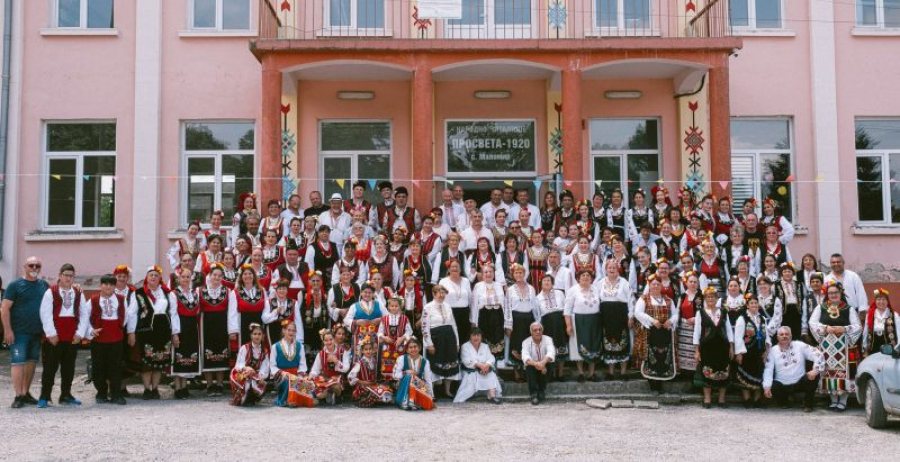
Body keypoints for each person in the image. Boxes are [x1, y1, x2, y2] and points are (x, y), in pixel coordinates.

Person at [37, 263, 89, 408]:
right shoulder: (50, 292)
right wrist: (51, 334)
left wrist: (80, 334)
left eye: (71, 276)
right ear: (60, 275)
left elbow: (84, 314)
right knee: (50, 368)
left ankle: (66, 395)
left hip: (71, 336)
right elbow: (45, 314)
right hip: (55, 336)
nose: (68, 278)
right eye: (66, 275)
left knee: (69, 368)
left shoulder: (78, 293)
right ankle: (44, 396)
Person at [2, 257, 51, 408]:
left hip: (36, 332)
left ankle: (25, 392)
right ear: (25, 266)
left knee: (31, 362)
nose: (34, 268)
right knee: (18, 363)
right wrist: (7, 330)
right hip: (19, 332)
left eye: (38, 266)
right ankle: (18, 396)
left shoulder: (44, 285)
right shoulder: (15, 285)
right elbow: (5, 308)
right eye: (31, 265)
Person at [809, 281, 862, 411]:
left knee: (844, 373)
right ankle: (833, 400)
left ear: (840, 293)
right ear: (827, 294)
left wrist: (844, 329)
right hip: (826, 347)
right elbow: (812, 323)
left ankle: (843, 401)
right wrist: (825, 328)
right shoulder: (821, 307)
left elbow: (858, 326)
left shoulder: (848, 309)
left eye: (836, 292)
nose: (833, 295)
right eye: (830, 293)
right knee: (828, 372)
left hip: (844, 348)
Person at [86, 274, 134, 405]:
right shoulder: (93, 300)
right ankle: (101, 393)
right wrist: (90, 330)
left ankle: (116, 394)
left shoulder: (121, 299)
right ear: (100, 285)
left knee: (116, 367)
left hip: (116, 338)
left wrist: (119, 327)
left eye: (111, 284)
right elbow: (85, 317)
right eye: (105, 284)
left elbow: (126, 316)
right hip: (98, 339)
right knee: (99, 366)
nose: (108, 287)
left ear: (115, 286)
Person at [130, 266, 173, 400]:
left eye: (156, 275)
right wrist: (131, 332)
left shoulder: (167, 293)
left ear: (160, 279)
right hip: (146, 331)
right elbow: (131, 313)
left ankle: (155, 388)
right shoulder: (138, 293)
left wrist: (175, 332)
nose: (153, 277)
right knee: (147, 362)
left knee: (159, 361)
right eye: (151, 275)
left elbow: (173, 313)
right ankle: (146, 389)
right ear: (146, 278)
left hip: (163, 332)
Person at [634, 275, 678, 393]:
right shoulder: (644, 298)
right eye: (653, 284)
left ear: (661, 286)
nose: (655, 286)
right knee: (651, 356)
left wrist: (670, 321)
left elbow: (675, 314)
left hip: (664, 333)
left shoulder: (668, 299)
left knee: (663, 356)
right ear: (649, 285)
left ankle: (660, 383)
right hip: (650, 333)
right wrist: (653, 321)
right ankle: (652, 384)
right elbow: (638, 313)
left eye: (658, 284)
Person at [763, 327, 824, 412]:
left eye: (787, 334)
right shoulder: (772, 350)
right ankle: (784, 402)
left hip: (799, 382)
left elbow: (817, 354)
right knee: (773, 386)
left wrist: (815, 370)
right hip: (782, 384)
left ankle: (808, 403)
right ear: (777, 337)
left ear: (791, 336)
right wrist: (766, 387)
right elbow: (768, 369)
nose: (784, 336)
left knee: (813, 376)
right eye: (781, 334)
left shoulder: (799, 345)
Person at [693, 287, 734, 409]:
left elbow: (729, 330)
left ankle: (722, 399)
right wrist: (696, 350)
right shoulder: (700, 312)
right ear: (705, 299)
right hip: (707, 348)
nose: (710, 299)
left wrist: (731, 347)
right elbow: (697, 332)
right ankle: (707, 398)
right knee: (707, 371)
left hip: (722, 347)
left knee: (724, 371)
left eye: (713, 297)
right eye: (708, 297)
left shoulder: (723, 311)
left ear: (717, 298)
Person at [597, 258, 633, 379]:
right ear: (606, 269)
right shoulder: (600, 283)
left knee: (623, 341)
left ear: (618, 269)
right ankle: (610, 372)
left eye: (614, 267)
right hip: (606, 316)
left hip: (621, 315)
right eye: (609, 268)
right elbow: (596, 300)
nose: (612, 269)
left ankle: (623, 372)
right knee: (608, 341)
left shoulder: (624, 282)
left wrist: (630, 316)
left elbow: (631, 301)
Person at [198, 266, 231, 396]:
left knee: (221, 351)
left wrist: (231, 329)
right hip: (206, 324)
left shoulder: (228, 291)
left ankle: (220, 384)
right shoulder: (200, 290)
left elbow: (231, 311)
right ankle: (209, 384)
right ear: (210, 276)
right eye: (214, 275)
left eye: (219, 275)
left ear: (222, 277)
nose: (217, 277)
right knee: (207, 351)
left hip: (222, 324)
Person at [733, 295, 771, 408]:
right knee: (745, 373)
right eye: (752, 303)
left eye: (756, 303)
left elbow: (767, 335)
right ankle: (747, 398)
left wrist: (766, 351)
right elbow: (738, 337)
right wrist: (739, 353)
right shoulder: (742, 318)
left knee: (758, 373)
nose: (754, 305)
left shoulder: (762, 318)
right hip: (747, 352)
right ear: (747, 305)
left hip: (759, 351)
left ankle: (757, 398)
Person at [423, 284, 460, 397]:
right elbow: (424, 327)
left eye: (443, 292)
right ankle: (431, 392)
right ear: (434, 294)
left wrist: (457, 342)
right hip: (436, 340)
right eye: (439, 292)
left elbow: (453, 325)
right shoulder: (428, 307)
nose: (441, 295)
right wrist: (429, 344)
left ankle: (447, 391)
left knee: (450, 363)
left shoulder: (448, 306)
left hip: (449, 339)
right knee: (435, 364)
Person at [564, 269, 602, 382]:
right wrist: (568, 325)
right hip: (579, 322)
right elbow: (567, 310)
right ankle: (581, 373)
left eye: (588, 275)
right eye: (583, 275)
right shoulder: (573, 290)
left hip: (595, 321)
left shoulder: (596, 289)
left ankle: (591, 373)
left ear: (591, 278)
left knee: (594, 345)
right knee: (578, 345)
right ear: (578, 278)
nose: (585, 277)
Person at [168, 268, 200, 400]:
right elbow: (173, 313)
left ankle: (184, 386)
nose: (186, 279)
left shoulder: (194, 293)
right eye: (183, 277)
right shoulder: (174, 294)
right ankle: (177, 387)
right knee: (179, 355)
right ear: (178, 279)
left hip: (192, 327)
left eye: (188, 277)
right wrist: (175, 333)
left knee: (188, 355)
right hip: (180, 326)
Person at [270, 322, 316, 408]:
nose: (291, 333)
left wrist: (300, 376)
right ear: (283, 330)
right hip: (282, 377)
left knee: (308, 382)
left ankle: (298, 400)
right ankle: (288, 400)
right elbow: (272, 366)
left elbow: (302, 364)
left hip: (296, 374)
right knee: (289, 381)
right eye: (289, 330)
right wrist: (282, 373)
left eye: (293, 331)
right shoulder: (275, 347)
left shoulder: (300, 346)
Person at [506, 264, 539, 381]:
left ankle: (526, 371)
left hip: (529, 319)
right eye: (516, 273)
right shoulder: (510, 290)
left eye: (521, 272)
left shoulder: (531, 288)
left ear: (524, 274)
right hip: (516, 320)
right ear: (513, 275)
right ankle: (516, 373)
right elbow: (507, 308)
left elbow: (535, 306)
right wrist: (508, 325)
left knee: (528, 346)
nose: (519, 275)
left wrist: (537, 322)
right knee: (515, 345)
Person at [455, 328, 503, 404]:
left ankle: (492, 396)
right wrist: (480, 365)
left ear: (481, 337)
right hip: (470, 370)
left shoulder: (485, 346)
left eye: (478, 335)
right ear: (470, 336)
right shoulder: (465, 346)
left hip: (484, 369)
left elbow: (491, 358)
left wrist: (487, 365)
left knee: (491, 374)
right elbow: (466, 360)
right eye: (474, 335)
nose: (476, 337)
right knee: (473, 375)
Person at [471, 264, 507, 363]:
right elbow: (474, 305)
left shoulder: (498, 285)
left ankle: (497, 366)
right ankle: (485, 365)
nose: (488, 274)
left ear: (494, 274)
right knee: (485, 341)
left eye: (490, 272)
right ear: (482, 274)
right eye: (486, 272)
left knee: (498, 341)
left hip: (498, 317)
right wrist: (473, 321)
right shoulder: (478, 286)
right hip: (484, 317)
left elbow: (504, 304)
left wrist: (506, 321)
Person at [343, 283, 387, 360]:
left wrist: (380, 320)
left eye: (370, 292)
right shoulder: (355, 306)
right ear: (361, 292)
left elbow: (388, 317)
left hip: (375, 337)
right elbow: (346, 320)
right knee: (360, 358)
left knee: (375, 358)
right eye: (365, 292)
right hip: (360, 338)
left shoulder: (379, 305)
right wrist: (356, 322)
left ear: (373, 294)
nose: (367, 294)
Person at [230, 323, 269, 406]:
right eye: (255, 334)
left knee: (260, 385)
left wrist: (260, 377)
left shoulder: (264, 351)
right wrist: (246, 368)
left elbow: (265, 368)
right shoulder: (244, 348)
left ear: (263, 336)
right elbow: (238, 365)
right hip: (242, 375)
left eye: (259, 334)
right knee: (246, 374)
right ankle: (241, 397)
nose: (257, 336)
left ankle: (252, 397)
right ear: (251, 335)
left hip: (256, 377)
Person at [537, 274, 568, 380]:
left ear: (552, 283)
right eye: (544, 280)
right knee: (550, 348)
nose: (547, 282)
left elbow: (566, 308)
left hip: (560, 323)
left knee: (561, 346)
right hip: (547, 324)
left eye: (549, 280)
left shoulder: (560, 293)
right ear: (541, 283)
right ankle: (553, 373)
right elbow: (538, 315)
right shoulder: (538, 298)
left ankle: (561, 373)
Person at [348, 337, 394, 407]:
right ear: (362, 351)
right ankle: (370, 399)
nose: (368, 351)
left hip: (373, 385)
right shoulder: (360, 363)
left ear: (373, 350)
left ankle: (379, 398)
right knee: (375, 393)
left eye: (370, 349)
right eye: (366, 349)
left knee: (386, 389)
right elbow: (350, 377)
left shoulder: (374, 361)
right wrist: (363, 382)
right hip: (364, 387)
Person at [309, 328, 350, 405]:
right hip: (325, 379)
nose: (329, 342)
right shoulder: (321, 354)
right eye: (326, 340)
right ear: (323, 342)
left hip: (337, 379)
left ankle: (338, 396)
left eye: (331, 339)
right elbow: (315, 369)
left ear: (334, 339)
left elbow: (346, 368)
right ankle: (327, 394)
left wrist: (336, 361)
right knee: (320, 395)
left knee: (336, 387)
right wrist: (311, 375)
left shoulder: (342, 351)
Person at [393, 337, 434, 410]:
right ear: (407, 350)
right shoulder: (401, 359)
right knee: (408, 375)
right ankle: (405, 400)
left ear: (419, 348)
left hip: (417, 387)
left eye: (415, 347)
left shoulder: (425, 361)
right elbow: (395, 375)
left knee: (428, 400)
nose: (413, 349)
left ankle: (413, 401)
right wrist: (406, 372)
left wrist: (431, 396)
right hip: (403, 388)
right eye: (410, 347)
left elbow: (428, 380)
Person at [377, 296, 412, 381]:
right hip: (387, 347)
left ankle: (398, 382)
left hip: (400, 347)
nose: (394, 308)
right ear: (388, 307)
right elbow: (379, 332)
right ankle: (388, 382)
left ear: (400, 307)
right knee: (387, 366)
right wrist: (384, 337)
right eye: (392, 306)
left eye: (396, 306)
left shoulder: (404, 318)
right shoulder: (384, 319)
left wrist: (402, 338)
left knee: (399, 364)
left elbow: (409, 331)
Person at [439, 259, 472, 346]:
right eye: (452, 267)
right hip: (450, 313)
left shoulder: (466, 281)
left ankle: (463, 353)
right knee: (451, 338)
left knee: (464, 338)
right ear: (449, 269)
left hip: (464, 313)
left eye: (457, 266)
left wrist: (472, 316)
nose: (454, 268)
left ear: (460, 269)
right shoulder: (443, 282)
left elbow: (470, 299)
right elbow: (440, 300)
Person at [824, 253, 868, 318]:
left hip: (853, 312)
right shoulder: (827, 279)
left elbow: (860, 293)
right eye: (833, 262)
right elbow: (825, 297)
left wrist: (862, 309)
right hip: (834, 313)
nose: (836, 264)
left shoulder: (853, 276)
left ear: (843, 262)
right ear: (830, 264)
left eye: (838, 262)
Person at [675, 271, 702, 374]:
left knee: (693, 350)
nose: (693, 284)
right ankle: (683, 371)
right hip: (683, 328)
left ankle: (694, 373)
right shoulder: (682, 296)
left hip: (696, 327)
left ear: (698, 284)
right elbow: (678, 310)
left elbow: (705, 310)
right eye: (691, 281)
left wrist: (696, 318)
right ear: (686, 283)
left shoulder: (701, 296)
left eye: (695, 282)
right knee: (683, 351)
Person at [522, 322, 555, 405]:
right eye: (535, 330)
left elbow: (551, 353)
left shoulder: (548, 339)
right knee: (529, 367)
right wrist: (537, 365)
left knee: (549, 364)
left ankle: (541, 391)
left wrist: (543, 364)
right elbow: (525, 357)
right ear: (531, 332)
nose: (538, 332)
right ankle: (533, 395)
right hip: (533, 365)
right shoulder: (526, 342)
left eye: (540, 330)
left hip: (545, 364)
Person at [862, 289, 899, 357]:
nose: (881, 302)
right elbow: (865, 332)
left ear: (887, 301)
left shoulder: (894, 315)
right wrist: (864, 347)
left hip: (889, 348)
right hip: (873, 347)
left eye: (884, 299)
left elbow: (899, 332)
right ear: (875, 301)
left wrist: (898, 347)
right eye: (878, 299)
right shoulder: (870, 315)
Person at [262, 279, 301, 344]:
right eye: (279, 289)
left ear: (287, 290)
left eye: (284, 289)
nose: (282, 291)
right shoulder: (269, 302)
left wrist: (299, 339)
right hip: (273, 333)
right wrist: (275, 312)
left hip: (289, 333)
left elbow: (298, 322)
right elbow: (264, 319)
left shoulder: (294, 303)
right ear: (276, 290)